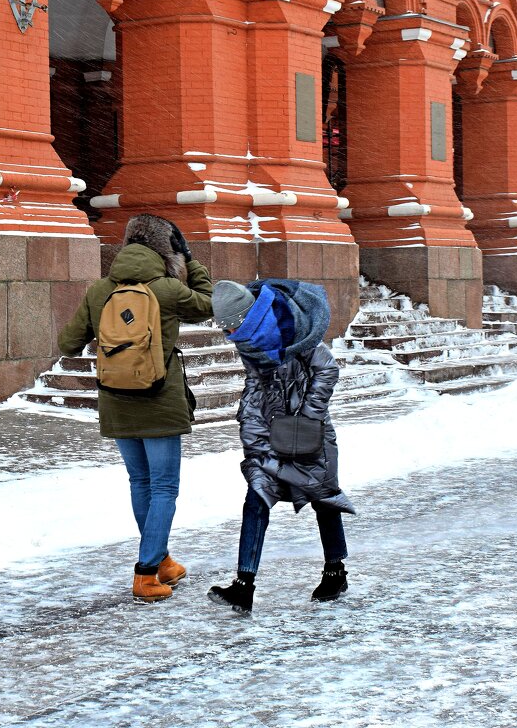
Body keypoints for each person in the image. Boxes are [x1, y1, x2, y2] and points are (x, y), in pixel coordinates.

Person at [58, 214, 213, 602]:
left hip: (116, 399)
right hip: (159, 397)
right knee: (163, 486)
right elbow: (209, 305)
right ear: (165, 253)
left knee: (141, 482)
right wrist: (191, 261)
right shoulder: (166, 289)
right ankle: (145, 574)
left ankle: (159, 561)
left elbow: (67, 343)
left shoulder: (99, 291)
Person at [207, 278, 355, 616]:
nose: (230, 333)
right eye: (225, 327)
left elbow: (327, 370)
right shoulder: (249, 338)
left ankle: (336, 571)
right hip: (274, 432)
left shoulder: (296, 329)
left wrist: (308, 415)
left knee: (323, 497)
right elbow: (257, 382)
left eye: (233, 324)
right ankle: (244, 586)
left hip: (312, 433)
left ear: (250, 315)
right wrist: (250, 415)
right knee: (256, 499)